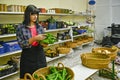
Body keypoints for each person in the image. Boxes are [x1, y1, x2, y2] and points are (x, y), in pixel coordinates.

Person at [16, 4, 47, 79]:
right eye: (32, 14)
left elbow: (43, 41)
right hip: (28, 56)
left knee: (41, 75)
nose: (35, 16)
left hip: (40, 54)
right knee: (28, 76)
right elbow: (21, 44)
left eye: (36, 14)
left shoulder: (39, 27)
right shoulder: (20, 27)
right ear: (27, 15)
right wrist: (34, 38)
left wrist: (44, 43)